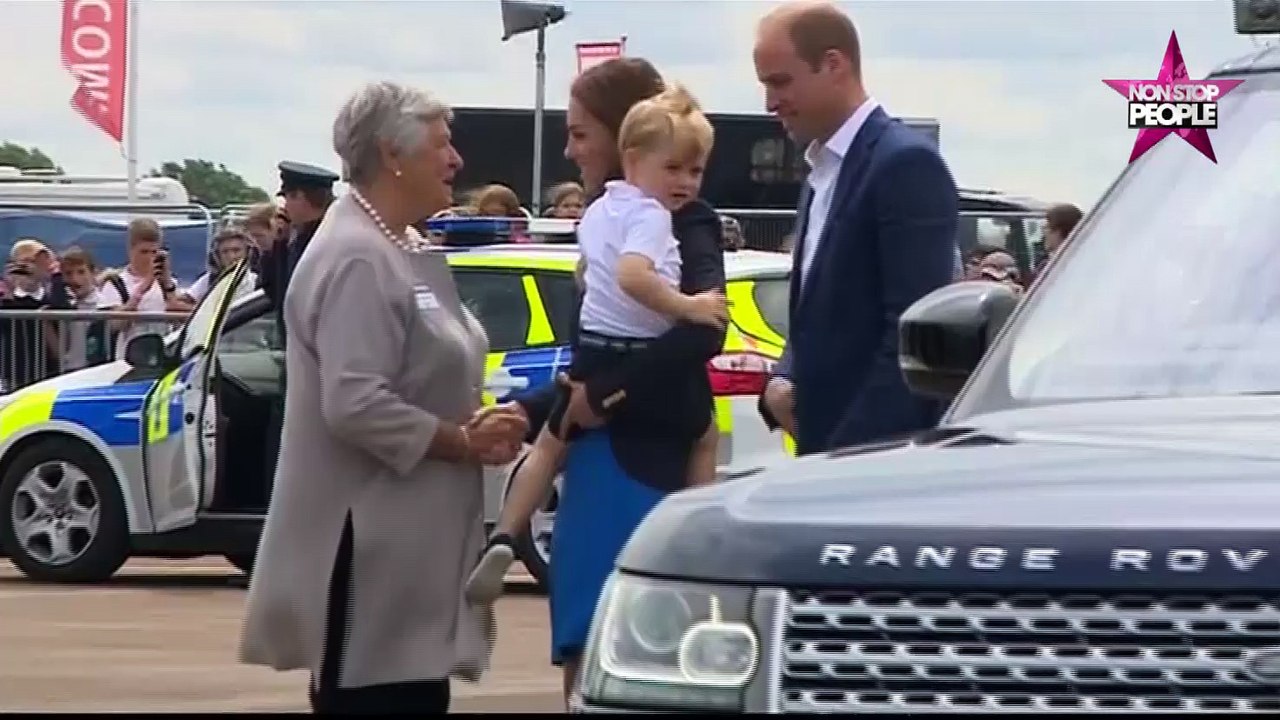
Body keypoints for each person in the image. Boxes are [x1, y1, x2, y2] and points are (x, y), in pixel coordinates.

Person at [238, 81, 529, 715]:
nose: (456, 159)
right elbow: (355, 403)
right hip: (367, 551)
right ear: (392, 155)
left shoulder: (401, 246)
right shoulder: (358, 257)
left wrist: (478, 421)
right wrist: (461, 441)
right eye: (441, 144)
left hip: (409, 554)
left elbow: (422, 373)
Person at [470, 57, 728, 706]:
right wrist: (532, 410)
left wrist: (603, 397)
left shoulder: (684, 217)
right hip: (594, 456)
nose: (569, 149)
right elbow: (589, 347)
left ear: (623, 135)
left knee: (633, 645)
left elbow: (704, 331)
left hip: (642, 454)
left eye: (580, 133)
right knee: (585, 645)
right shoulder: (605, 215)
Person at [753, 1, 959, 456]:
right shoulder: (822, 172)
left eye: (780, 82)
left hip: (873, 463)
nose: (769, 103)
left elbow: (911, 340)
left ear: (834, 65)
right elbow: (816, 316)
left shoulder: (905, 166)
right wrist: (782, 378)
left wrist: (846, 457)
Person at [257, 160, 338, 341]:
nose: (285, 207)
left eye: (288, 199)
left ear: (300, 197)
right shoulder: (303, 238)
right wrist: (278, 245)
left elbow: (290, 298)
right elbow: (274, 292)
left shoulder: (324, 241)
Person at [97, 218, 194, 358]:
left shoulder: (167, 282)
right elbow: (114, 325)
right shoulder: (116, 283)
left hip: (162, 355)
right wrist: (142, 288)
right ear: (131, 250)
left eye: (154, 252)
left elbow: (177, 317)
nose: (149, 257)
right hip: (127, 358)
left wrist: (167, 284)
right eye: (144, 252)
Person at [184, 227, 258, 303]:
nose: (231, 256)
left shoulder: (257, 281)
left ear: (247, 252)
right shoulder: (210, 280)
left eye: (236, 250)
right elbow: (184, 300)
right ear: (218, 256)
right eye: (225, 252)